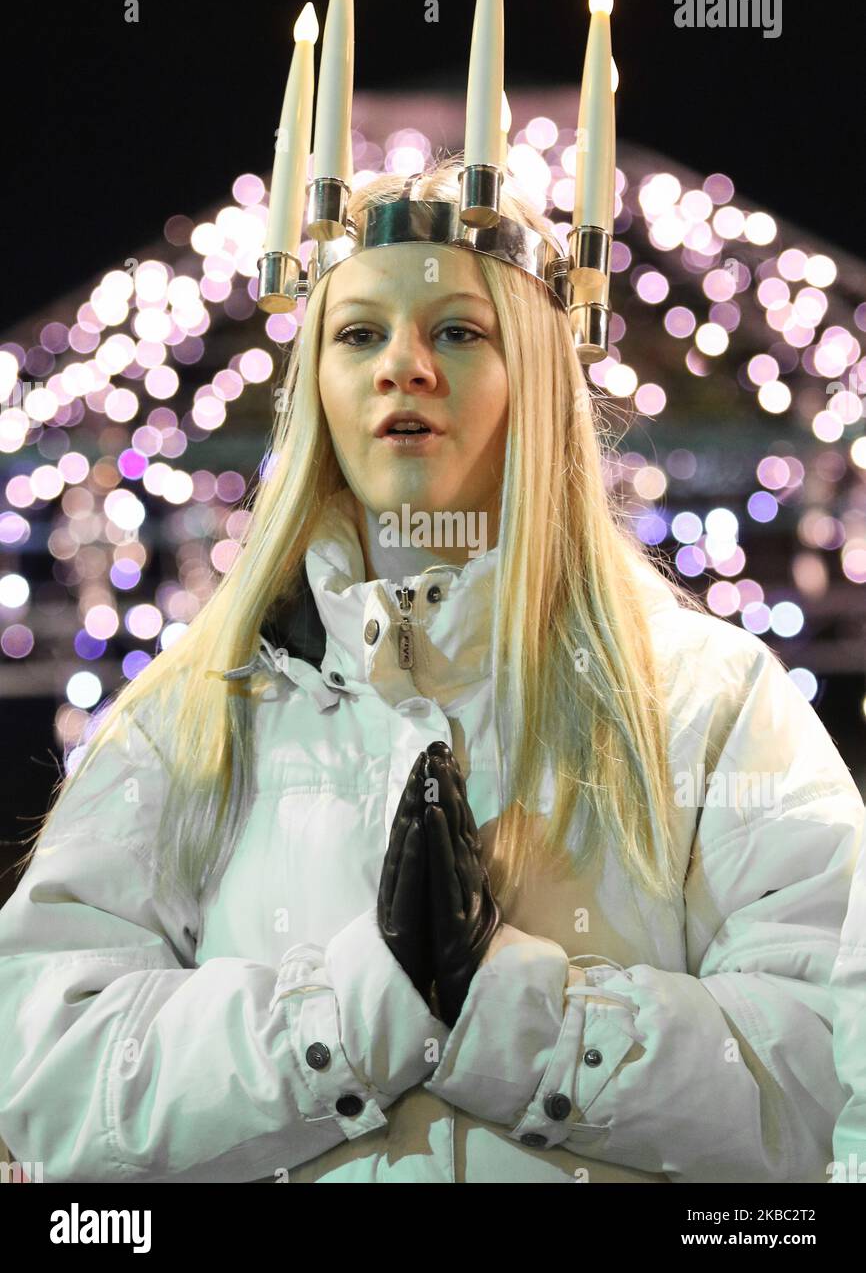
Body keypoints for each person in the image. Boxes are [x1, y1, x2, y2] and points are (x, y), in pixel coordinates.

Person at [0, 157, 862, 1184]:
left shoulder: (708, 700)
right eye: (358, 332)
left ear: (535, 381)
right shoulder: (190, 715)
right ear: (315, 380)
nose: (401, 365)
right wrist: (353, 1012)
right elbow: (49, 1069)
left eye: (456, 330)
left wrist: (517, 1016)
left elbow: (827, 1073)